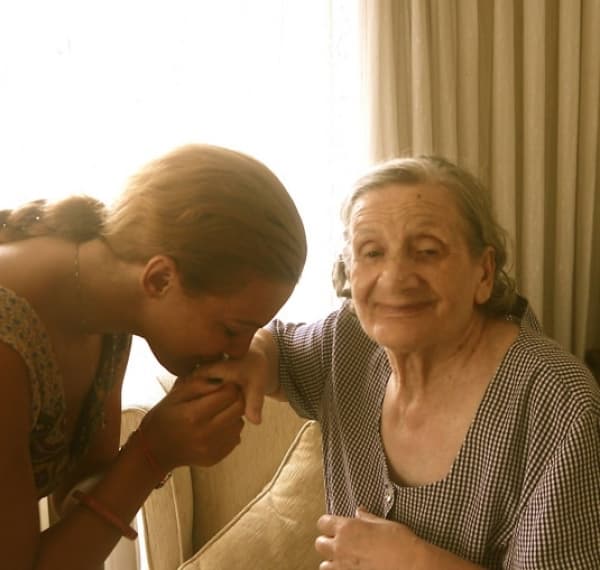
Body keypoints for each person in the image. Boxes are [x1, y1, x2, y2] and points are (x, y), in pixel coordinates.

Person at [202, 156, 600, 569]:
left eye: (427, 251)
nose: (394, 278)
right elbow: (276, 350)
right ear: (350, 271)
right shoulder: (347, 341)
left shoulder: (559, 404)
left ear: (484, 273)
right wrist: (252, 356)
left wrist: (416, 562)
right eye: (372, 252)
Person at [0, 143, 307, 569]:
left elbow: (81, 500)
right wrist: (153, 452)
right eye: (233, 330)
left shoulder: (104, 305)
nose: (240, 352)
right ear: (160, 278)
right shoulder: (8, 342)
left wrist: (162, 446)